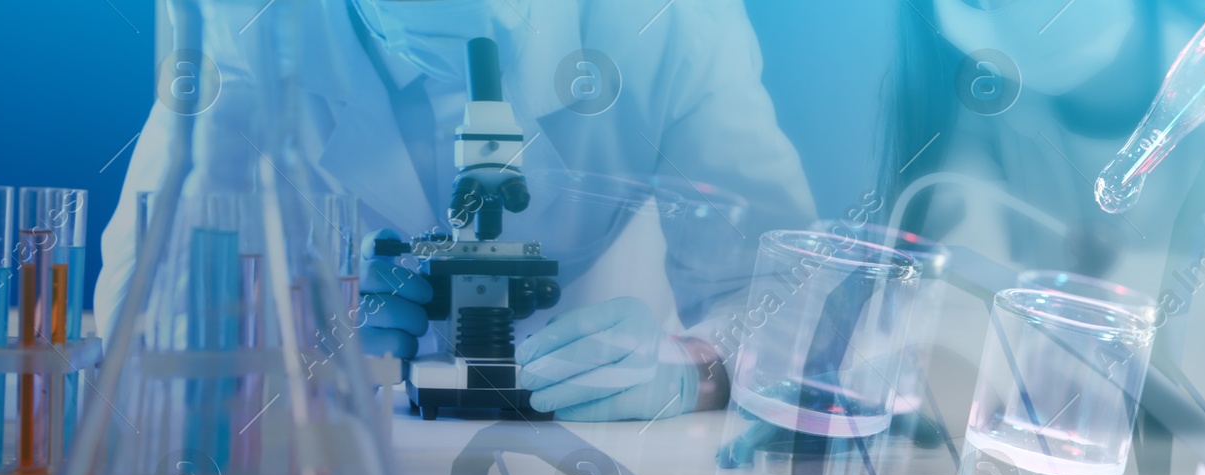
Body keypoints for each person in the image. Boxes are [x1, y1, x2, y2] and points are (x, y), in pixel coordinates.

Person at [96, 0, 817, 421]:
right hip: (342, 459)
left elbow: (794, 301)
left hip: (584, 448)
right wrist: (285, 323)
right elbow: (141, 309)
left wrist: (693, 369)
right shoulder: (247, 18)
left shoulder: (669, 21)